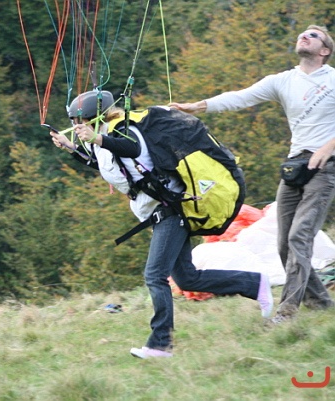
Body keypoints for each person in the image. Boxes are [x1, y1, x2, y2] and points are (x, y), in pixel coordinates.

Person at [49, 89, 273, 359]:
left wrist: (96, 138)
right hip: (159, 212)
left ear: (94, 117)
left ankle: (160, 344)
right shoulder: (105, 138)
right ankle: (254, 283)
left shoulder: (124, 130)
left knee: (155, 276)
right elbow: (108, 164)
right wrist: (71, 147)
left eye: (78, 120)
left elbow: (131, 148)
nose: (75, 126)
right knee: (187, 278)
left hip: (170, 211)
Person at [170, 25, 335, 324]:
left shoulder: (333, 79)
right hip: (295, 165)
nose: (304, 36)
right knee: (283, 243)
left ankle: (287, 312)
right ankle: (321, 303)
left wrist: (328, 147)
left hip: (326, 166)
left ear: (324, 51)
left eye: (313, 36)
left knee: (299, 237)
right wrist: (196, 107)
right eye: (302, 34)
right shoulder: (283, 80)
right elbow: (240, 97)